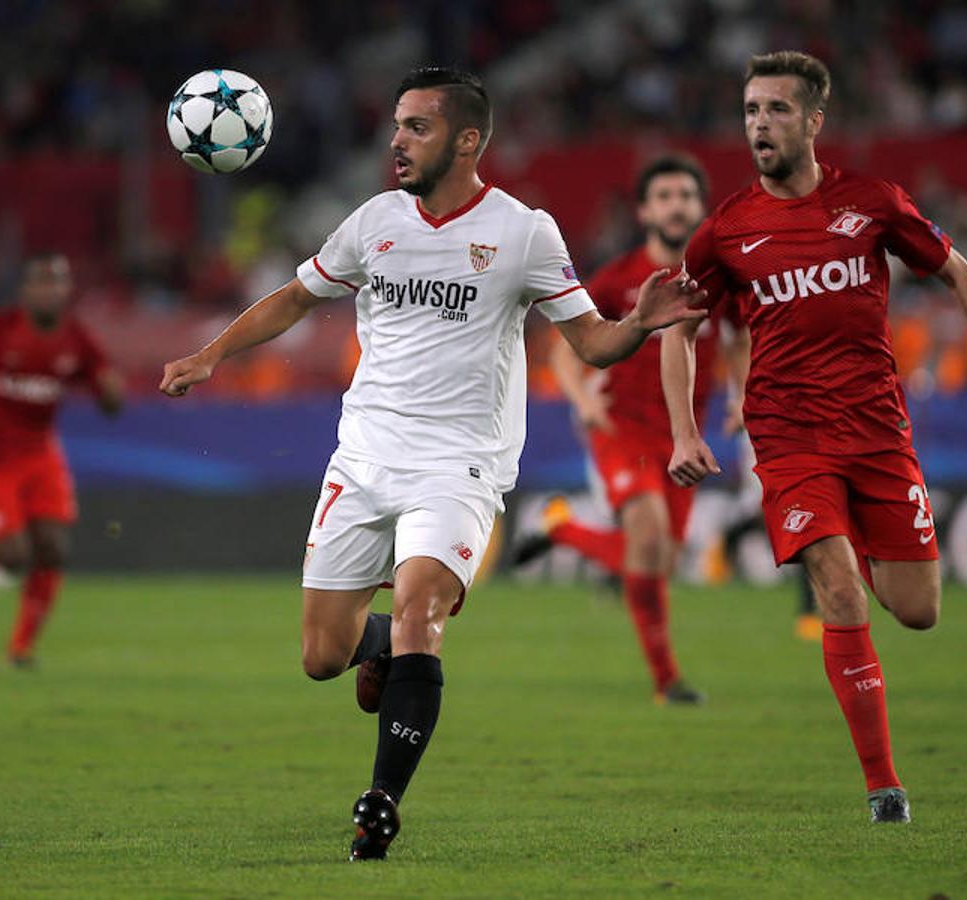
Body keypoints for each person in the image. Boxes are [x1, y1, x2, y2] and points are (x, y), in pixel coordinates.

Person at [159, 67, 706, 861]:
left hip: (460, 467)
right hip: (366, 457)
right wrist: (212, 355)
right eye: (397, 125)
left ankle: (380, 803)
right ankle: (378, 644)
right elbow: (296, 296)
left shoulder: (524, 232)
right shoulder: (375, 220)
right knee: (320, 656)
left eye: (416, 126)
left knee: (424, 616)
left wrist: (642, 322)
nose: (397, 141)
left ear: (468, 139)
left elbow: (591, 341)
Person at [662, 51, 967, 824]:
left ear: (813, 120)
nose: (759, 124)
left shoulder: (873, 203)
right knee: (837, 589)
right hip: (788, 436)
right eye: (749, 110)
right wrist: (683, 430)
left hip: (876, 432)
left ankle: (860, 539)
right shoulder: (727, 228)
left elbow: (958, 272)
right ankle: (884, 786)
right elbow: (677, 329)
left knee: (916, 609)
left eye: (775, 109)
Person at [517, 155, 749, 704]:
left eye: (686, 195)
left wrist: (741, 394)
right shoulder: (619, 279)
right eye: (664, 195)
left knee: (660, 562)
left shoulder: (718, 280)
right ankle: (668, 682)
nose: (676, 205)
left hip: (682, 433)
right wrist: (582, 403)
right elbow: (567, 347)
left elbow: (739, 340)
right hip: (621, 427)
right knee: (645, 536)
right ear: (646, 210)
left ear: (700, 207)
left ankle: (562, 531)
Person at [0, 253, 124, 666]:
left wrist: (111, 392)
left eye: (58, 282)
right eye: (42, 282)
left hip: (40, 450)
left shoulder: (77, 338)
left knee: (54, 547)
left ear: (66, 290)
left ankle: (21, 647)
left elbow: (109, 395)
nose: (50, 290)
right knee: (12, 558)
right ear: (26, 291)